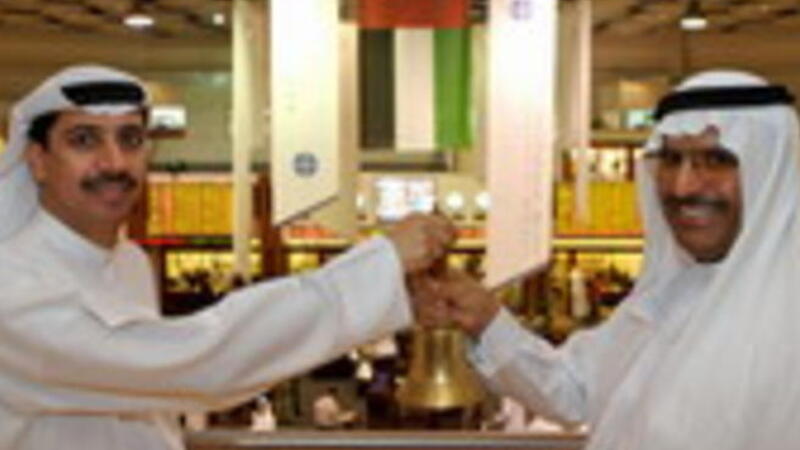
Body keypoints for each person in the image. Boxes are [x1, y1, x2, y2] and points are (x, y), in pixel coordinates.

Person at [0, 65, 453, 449]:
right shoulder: (14, 287)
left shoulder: (130, 263)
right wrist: (377, 268)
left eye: (130, 139)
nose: (114, 163)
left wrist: (397, 296)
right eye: (84, 140)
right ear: (37, 160)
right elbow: (199, 364)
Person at [427, 70, 800, 449]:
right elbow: (576, 390)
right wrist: (484, 318)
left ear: (767, 173)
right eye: (672, 159)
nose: (682, 186)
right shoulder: (668, 295)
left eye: (717, 160)